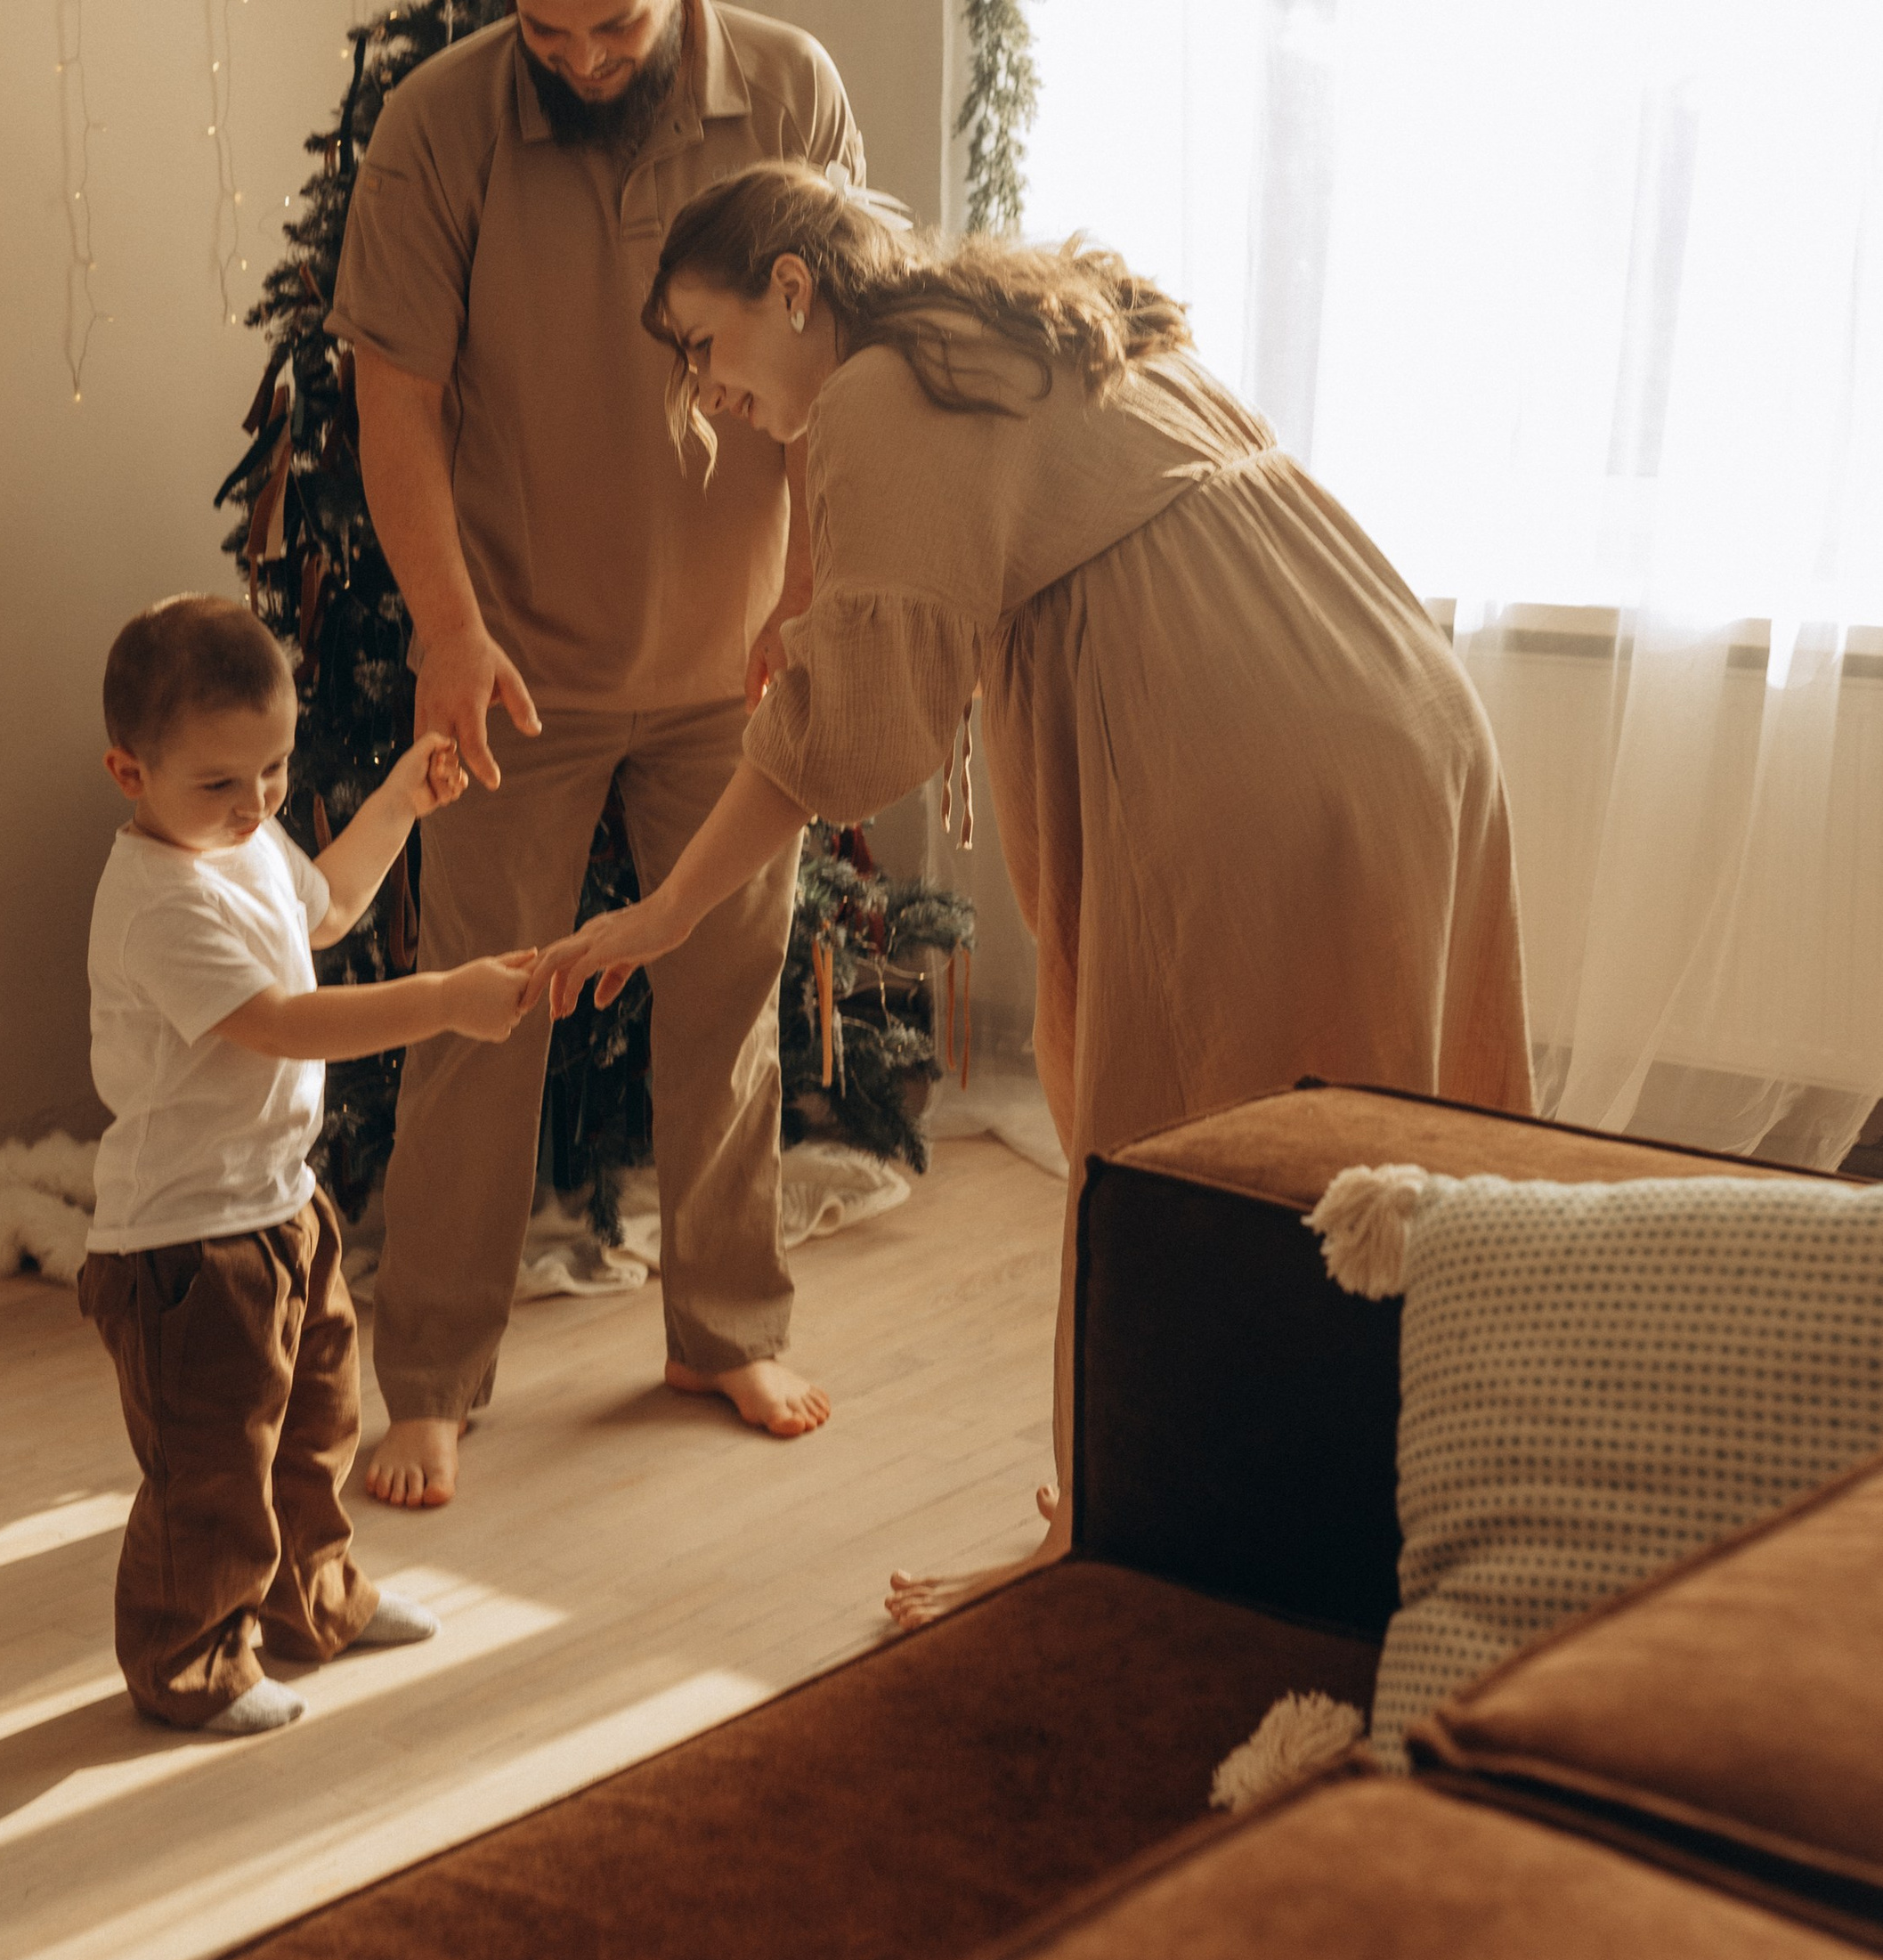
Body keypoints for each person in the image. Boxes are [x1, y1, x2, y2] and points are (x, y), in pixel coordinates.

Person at [529, 167, 1536, 1624]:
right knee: (1386, 1130)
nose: (702, 387)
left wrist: (664, 911)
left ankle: (1113, 1545)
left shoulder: (876, 394)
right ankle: (1422, 1507)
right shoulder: (1020, 321)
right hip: (1400, 703)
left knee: (1176, 1152)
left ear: (792, 290)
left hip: (1250, 741)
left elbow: (851, 750)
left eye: (701, 342)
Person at [331, 0, 866, 1509]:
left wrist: (819, 599)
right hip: (519, 672)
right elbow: (396, 398)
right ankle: (428, 1375)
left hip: (737, 671)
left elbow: (850, 371)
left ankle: (719, 1331)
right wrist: (447, 623)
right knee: (477, 1026)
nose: (577, 63)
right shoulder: (440, 123)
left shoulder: (791, 92)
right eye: (545, 32)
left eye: (614, 31)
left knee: (727, 1018)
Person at [80, 595, 536, 1734]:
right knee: (212, 1464)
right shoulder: (155, 902)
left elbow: (323, 907)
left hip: (281, 1202)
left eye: (274, 770)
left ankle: (311, 1603)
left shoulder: (242, 846)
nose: (254, 804)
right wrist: (442, 999)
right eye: (221, 783)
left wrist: (395, 803)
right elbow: (281, 1020)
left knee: (315, 1425)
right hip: (184, 1244)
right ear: (128, 772)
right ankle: (190, 1662)